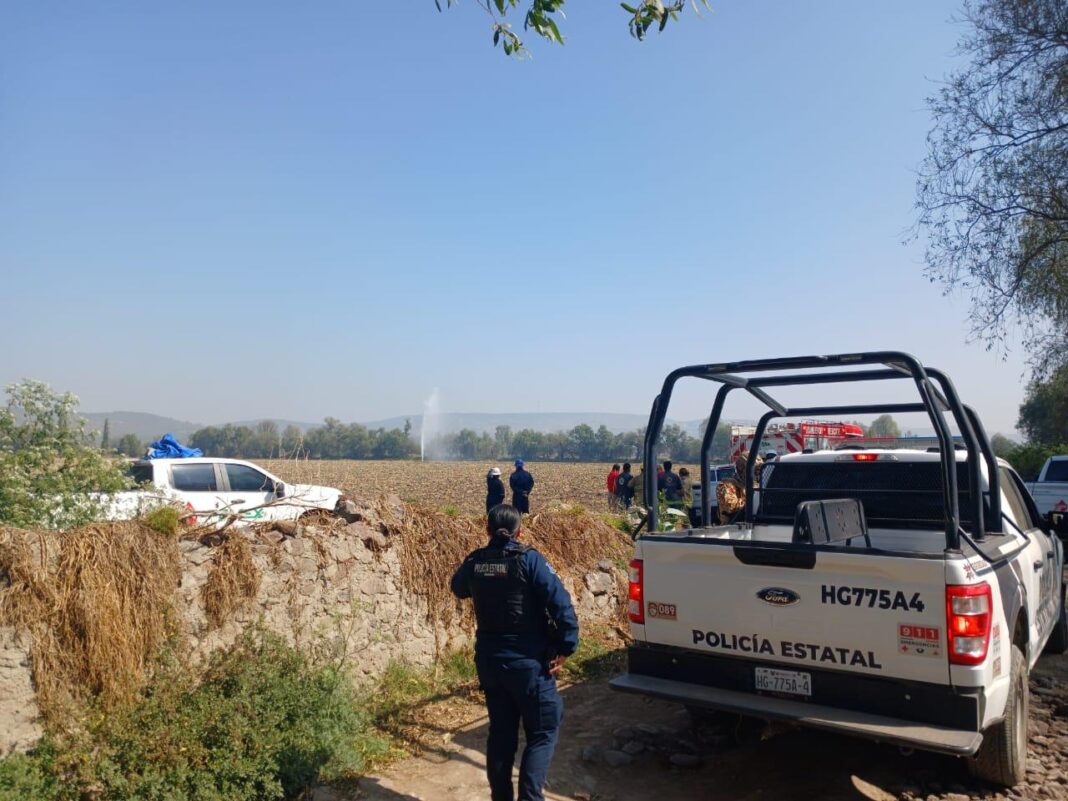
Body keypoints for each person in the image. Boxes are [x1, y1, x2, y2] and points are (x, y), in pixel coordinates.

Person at [450, 504, 579, 801]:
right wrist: (566, 647)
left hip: (491, 664)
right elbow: (562, 606)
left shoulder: (476, 561)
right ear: (519, 531)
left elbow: (458, 588)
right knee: (543, 732)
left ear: (486, 529)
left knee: (501, 735)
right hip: (529, 664)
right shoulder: (529, 560)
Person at [716, 452, 764, 524]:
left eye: (759, 470)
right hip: (733, 527)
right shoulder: (727, 485)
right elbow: (730, 506)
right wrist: (753, 499)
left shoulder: (757, 485)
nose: (757, 474)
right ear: (742, 469)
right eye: (755, 470)